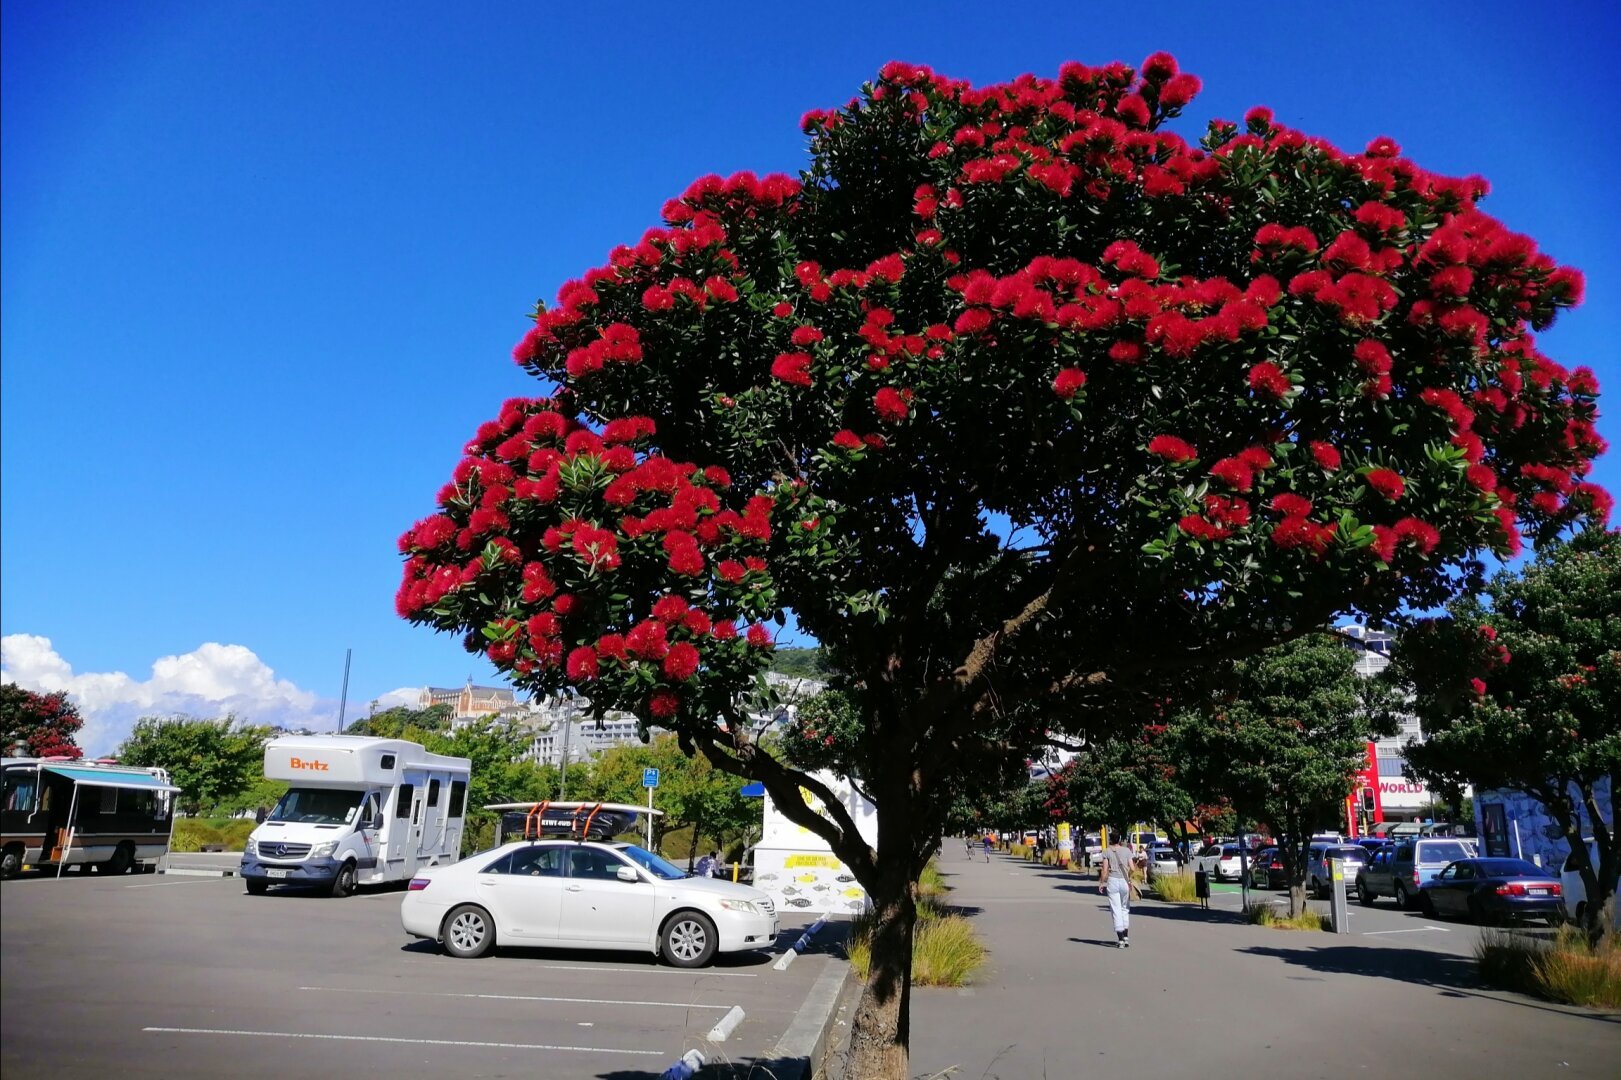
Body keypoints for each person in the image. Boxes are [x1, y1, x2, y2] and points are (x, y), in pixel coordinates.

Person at [1098, 830, 1143, 948]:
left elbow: (1105, 869)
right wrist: (1130, 876)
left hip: (1112, 881)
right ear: (1119, 839)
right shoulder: (1127, 851)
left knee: (1115, 909)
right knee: (1124, 908)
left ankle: (1121, 938)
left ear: (1111, 839)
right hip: (1124, 881)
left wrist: (1102, 883)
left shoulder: (1107, 851)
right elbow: (1132, 868)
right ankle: (1126, 937)